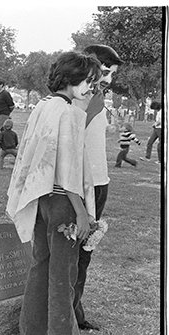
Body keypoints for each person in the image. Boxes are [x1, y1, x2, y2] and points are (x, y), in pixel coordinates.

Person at [6, 51, 101, 335]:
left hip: (40, 197)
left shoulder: (42, 106)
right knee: (62, 275)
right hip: (63, 200)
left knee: (41, 267)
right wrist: (81, 213)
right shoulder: (70, 112)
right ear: (71, 78)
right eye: (87, 81)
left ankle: (31, 329)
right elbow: (68, 168)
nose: (90, 88)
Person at [73, 44, 124, 331]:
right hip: (84, 184)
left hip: (99, 181)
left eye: (111, 75)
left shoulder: (98, 97)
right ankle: (69, 312)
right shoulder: (84, 98)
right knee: (76, 253)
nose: (107, 80)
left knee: (84, 253)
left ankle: (74, 310)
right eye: (104, 72)